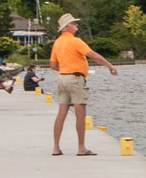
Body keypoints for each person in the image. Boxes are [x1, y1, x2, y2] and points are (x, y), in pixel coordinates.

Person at [49, 13, 117, 156]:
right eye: (74, 23)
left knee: (62, 113)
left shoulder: (58, 42)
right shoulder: (76, 41)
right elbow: (93, 55)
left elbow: (53, 65)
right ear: (66, 27)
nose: (76, 25)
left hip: (62, 79)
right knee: (80, 113)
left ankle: (56, 147)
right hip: (76, 79)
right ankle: (81, 147)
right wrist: (109, 65)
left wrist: (65, 69)